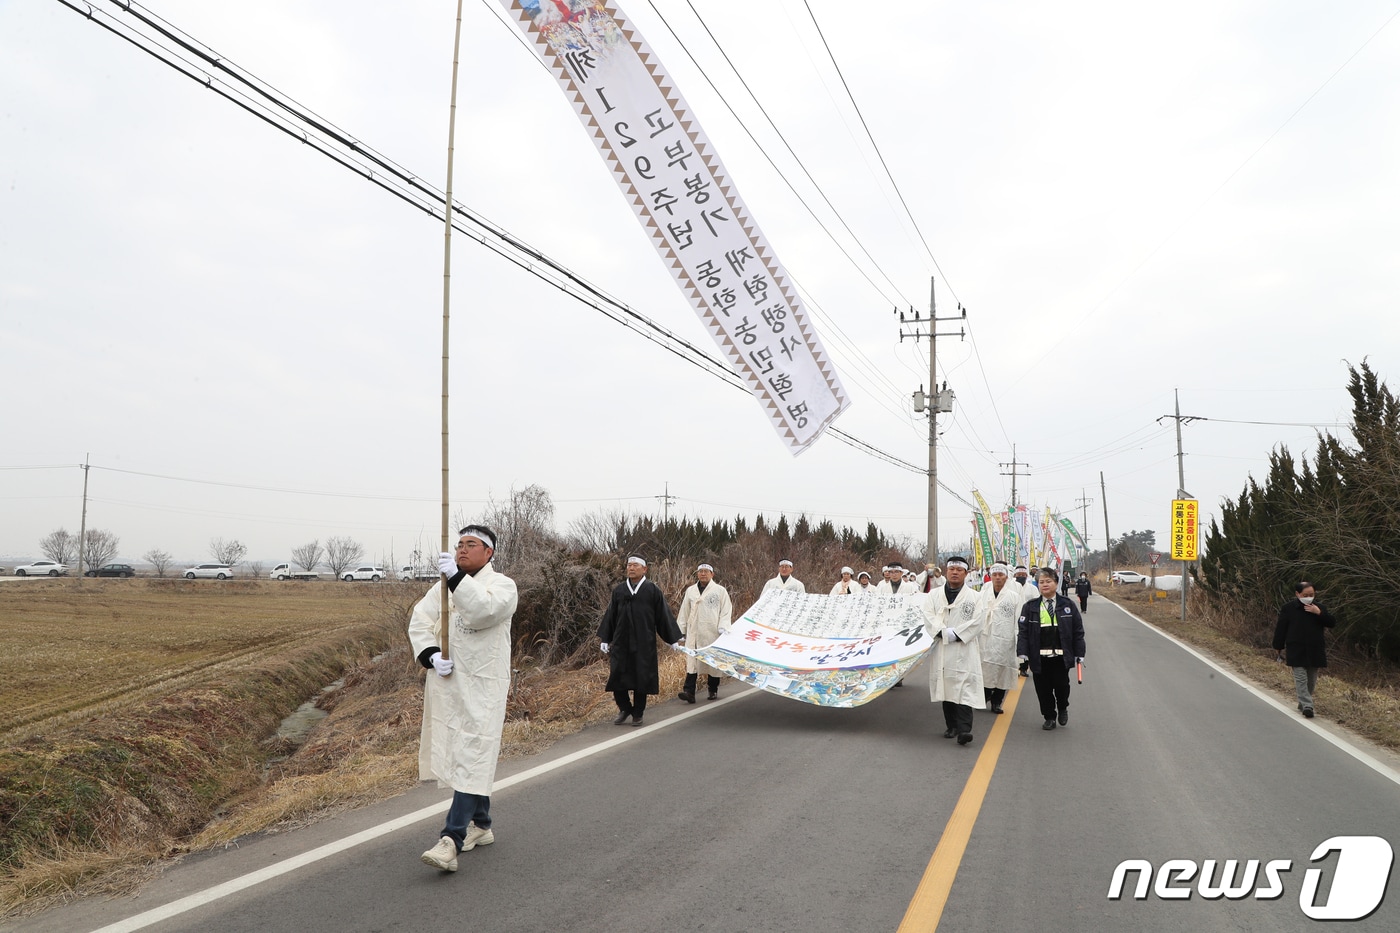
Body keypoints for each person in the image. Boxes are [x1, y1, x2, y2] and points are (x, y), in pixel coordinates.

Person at [411, 525, 518, 873]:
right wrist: (430, 654)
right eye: (458, 545)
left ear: (489, 553)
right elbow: (420, 621)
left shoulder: (502, 586)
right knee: (468, 754)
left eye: (471, 545)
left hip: (484, 689)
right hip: (451, 687)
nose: (461, 550)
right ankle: (482, 825)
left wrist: (456, 577)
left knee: (473, 754)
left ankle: (451, 839)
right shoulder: (440, 589)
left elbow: (483, 611)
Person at [598, 555, 681, 726]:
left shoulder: (652, 590)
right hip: (621, 643)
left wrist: (671, 638)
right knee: (617, 676)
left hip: (644, 643)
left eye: (635, 565)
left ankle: (638, 712)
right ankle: (624, 708)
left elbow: (663, 616)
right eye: (629, 565)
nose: (631, 568)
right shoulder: (619, 590)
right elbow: (611, 616)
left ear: (644, 569)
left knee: (641, 678)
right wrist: (606, 638)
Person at [923, 556, 985, 745]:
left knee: (965, 687)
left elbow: (978, 621)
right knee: (946, 686)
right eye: (952, 569)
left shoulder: (975, 597)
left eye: (959, 570)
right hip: (942, 647)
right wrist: (942, 632)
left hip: (963, 647)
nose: (955, 572)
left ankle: (965, 729)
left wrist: (955, 634)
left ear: (966, 573)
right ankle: (952, 726)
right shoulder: (934, 595)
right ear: (946, 571)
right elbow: (928, 615)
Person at [1016, 568, 1086, 731]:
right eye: (1041, 582)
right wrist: (1022, 652)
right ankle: (1049, 716)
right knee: (1043, 689)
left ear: (1056, 583)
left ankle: (1062, 707)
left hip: (1061, 657)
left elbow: (1078, 631)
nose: (1045, 585)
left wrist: (1079, 654)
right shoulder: (1030, 607)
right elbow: (1023, 631)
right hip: (1039, 657)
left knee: (1062, 687)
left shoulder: (1067, 605)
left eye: (1048, 581)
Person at [1272, 581, 1336, 719]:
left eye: (1311, 594)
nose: (1309, 597)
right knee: (1300, 678)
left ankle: (1303, 702)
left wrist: (1319, 613)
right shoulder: (1289, 608)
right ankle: (1308, 705)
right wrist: (1278, 646)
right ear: (1297, 594)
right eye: (1305, 595)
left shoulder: (1319, 607)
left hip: (1315, 649)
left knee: (1311, 681)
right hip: (1296, 648)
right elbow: (1281, 628)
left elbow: (1331, 623)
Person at [676, 563, 733, 702]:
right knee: (692, 662)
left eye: (706, 571)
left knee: (712, 663)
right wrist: (680, 631)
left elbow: (726, 611)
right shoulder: (691, 591)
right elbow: (684, 611)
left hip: (711, 632)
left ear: (712, 574)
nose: (703, 574)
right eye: (700, 571)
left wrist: (723, 626)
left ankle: (712, 689)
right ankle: (689, 692)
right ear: (697, 574)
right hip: (694, 632)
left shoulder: (720, 591)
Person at [977, 563, 1021, 714]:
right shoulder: (982, 594)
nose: (997, 578)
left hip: (1005, 639)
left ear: (1006, 577)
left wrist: (1017, 638)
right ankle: (985, 695)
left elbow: (1018, 619)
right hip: (985, 638)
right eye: (994, 574)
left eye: (1000, 575)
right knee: (985, 669)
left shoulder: (1013, 596)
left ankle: (997, 702)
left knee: (1003, 671)